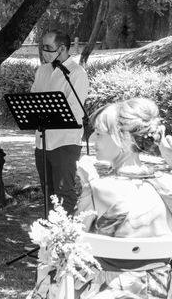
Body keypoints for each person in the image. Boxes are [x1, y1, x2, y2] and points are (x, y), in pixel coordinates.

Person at [31, 98, 172, 298]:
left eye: (99, 134)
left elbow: (74, 242)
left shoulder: (101, 188)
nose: (93, 140)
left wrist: (88, 184)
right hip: (161, 288)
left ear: (123, 139)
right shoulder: (167, 184)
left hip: (114, 290)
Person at [31, 30, 89, 214]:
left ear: (62, 48)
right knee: (48, 192)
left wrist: (45, 109)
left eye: (48, 48)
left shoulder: (77, 74)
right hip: (42, 140)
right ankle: (49, 238)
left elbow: (73, 110)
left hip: (65, 141)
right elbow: (33, 101)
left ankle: (66, 239)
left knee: (65, 192)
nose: (43, 51)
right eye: (42, 47)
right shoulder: (42, 70)